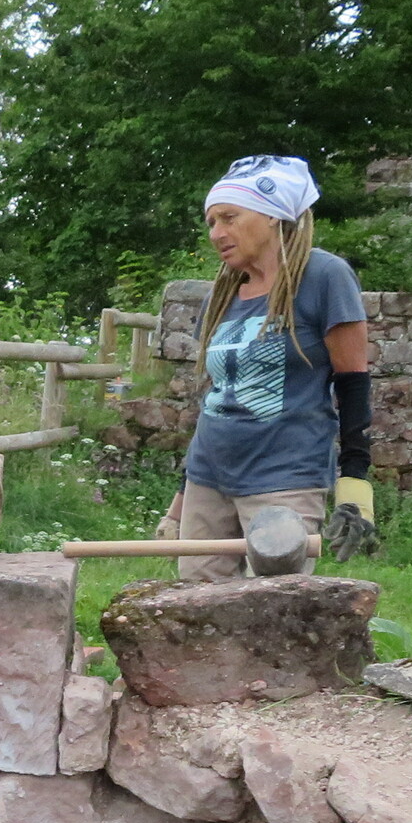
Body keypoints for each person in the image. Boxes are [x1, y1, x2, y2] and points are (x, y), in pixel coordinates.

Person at [154, 155, 377, 577]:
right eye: (211, 223)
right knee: (195, 604)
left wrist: (354, 487)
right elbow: (216, 401)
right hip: (208, 481)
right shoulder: (222, 295)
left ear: (273, 215)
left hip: (284, 480)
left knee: (274, 606)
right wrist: (178, 506)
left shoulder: (323, 277)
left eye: (229, 218)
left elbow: (353, 383)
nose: (216, 233)